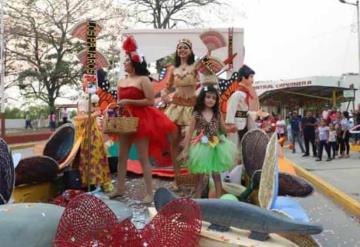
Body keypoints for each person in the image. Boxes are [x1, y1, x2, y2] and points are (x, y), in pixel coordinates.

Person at [109, 36, 177, 203]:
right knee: (122, 156)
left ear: (134, 63)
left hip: (142, 120)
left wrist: (129, 101)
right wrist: (116, 107)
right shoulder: (122, 81)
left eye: (127, 61)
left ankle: (149, 192)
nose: (124, 63)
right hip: (125, 119)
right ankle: (120, 188)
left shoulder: (143, 79)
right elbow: (119, 100)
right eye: (124, 61)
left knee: (142, 157)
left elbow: (151, 101)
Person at [180, 85, 236, 198]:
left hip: (216, 144)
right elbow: (190, 133)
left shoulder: (217, 114)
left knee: (216, 174)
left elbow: (222, 129)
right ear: (202, 98)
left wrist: (231, 129)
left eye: (213, 98)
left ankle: (219, 201)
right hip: (202, 145)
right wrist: (186, 149)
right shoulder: (197, 114)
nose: (211, 100)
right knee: (200, 176)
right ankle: (198, 200)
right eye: (208, 97)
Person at [162, 38, 198, 180]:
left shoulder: (196, 66)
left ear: (190, 51)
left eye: (185, 47)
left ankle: (193, 177)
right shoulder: (173, 69)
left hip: (191, 107)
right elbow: (167, 86)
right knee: (174, 141)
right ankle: (178, 178)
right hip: (176, 107)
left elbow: (209, 74)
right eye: (180, 48)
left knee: (192, 141)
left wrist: (209, 52)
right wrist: (165, 94)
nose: (182, 50)